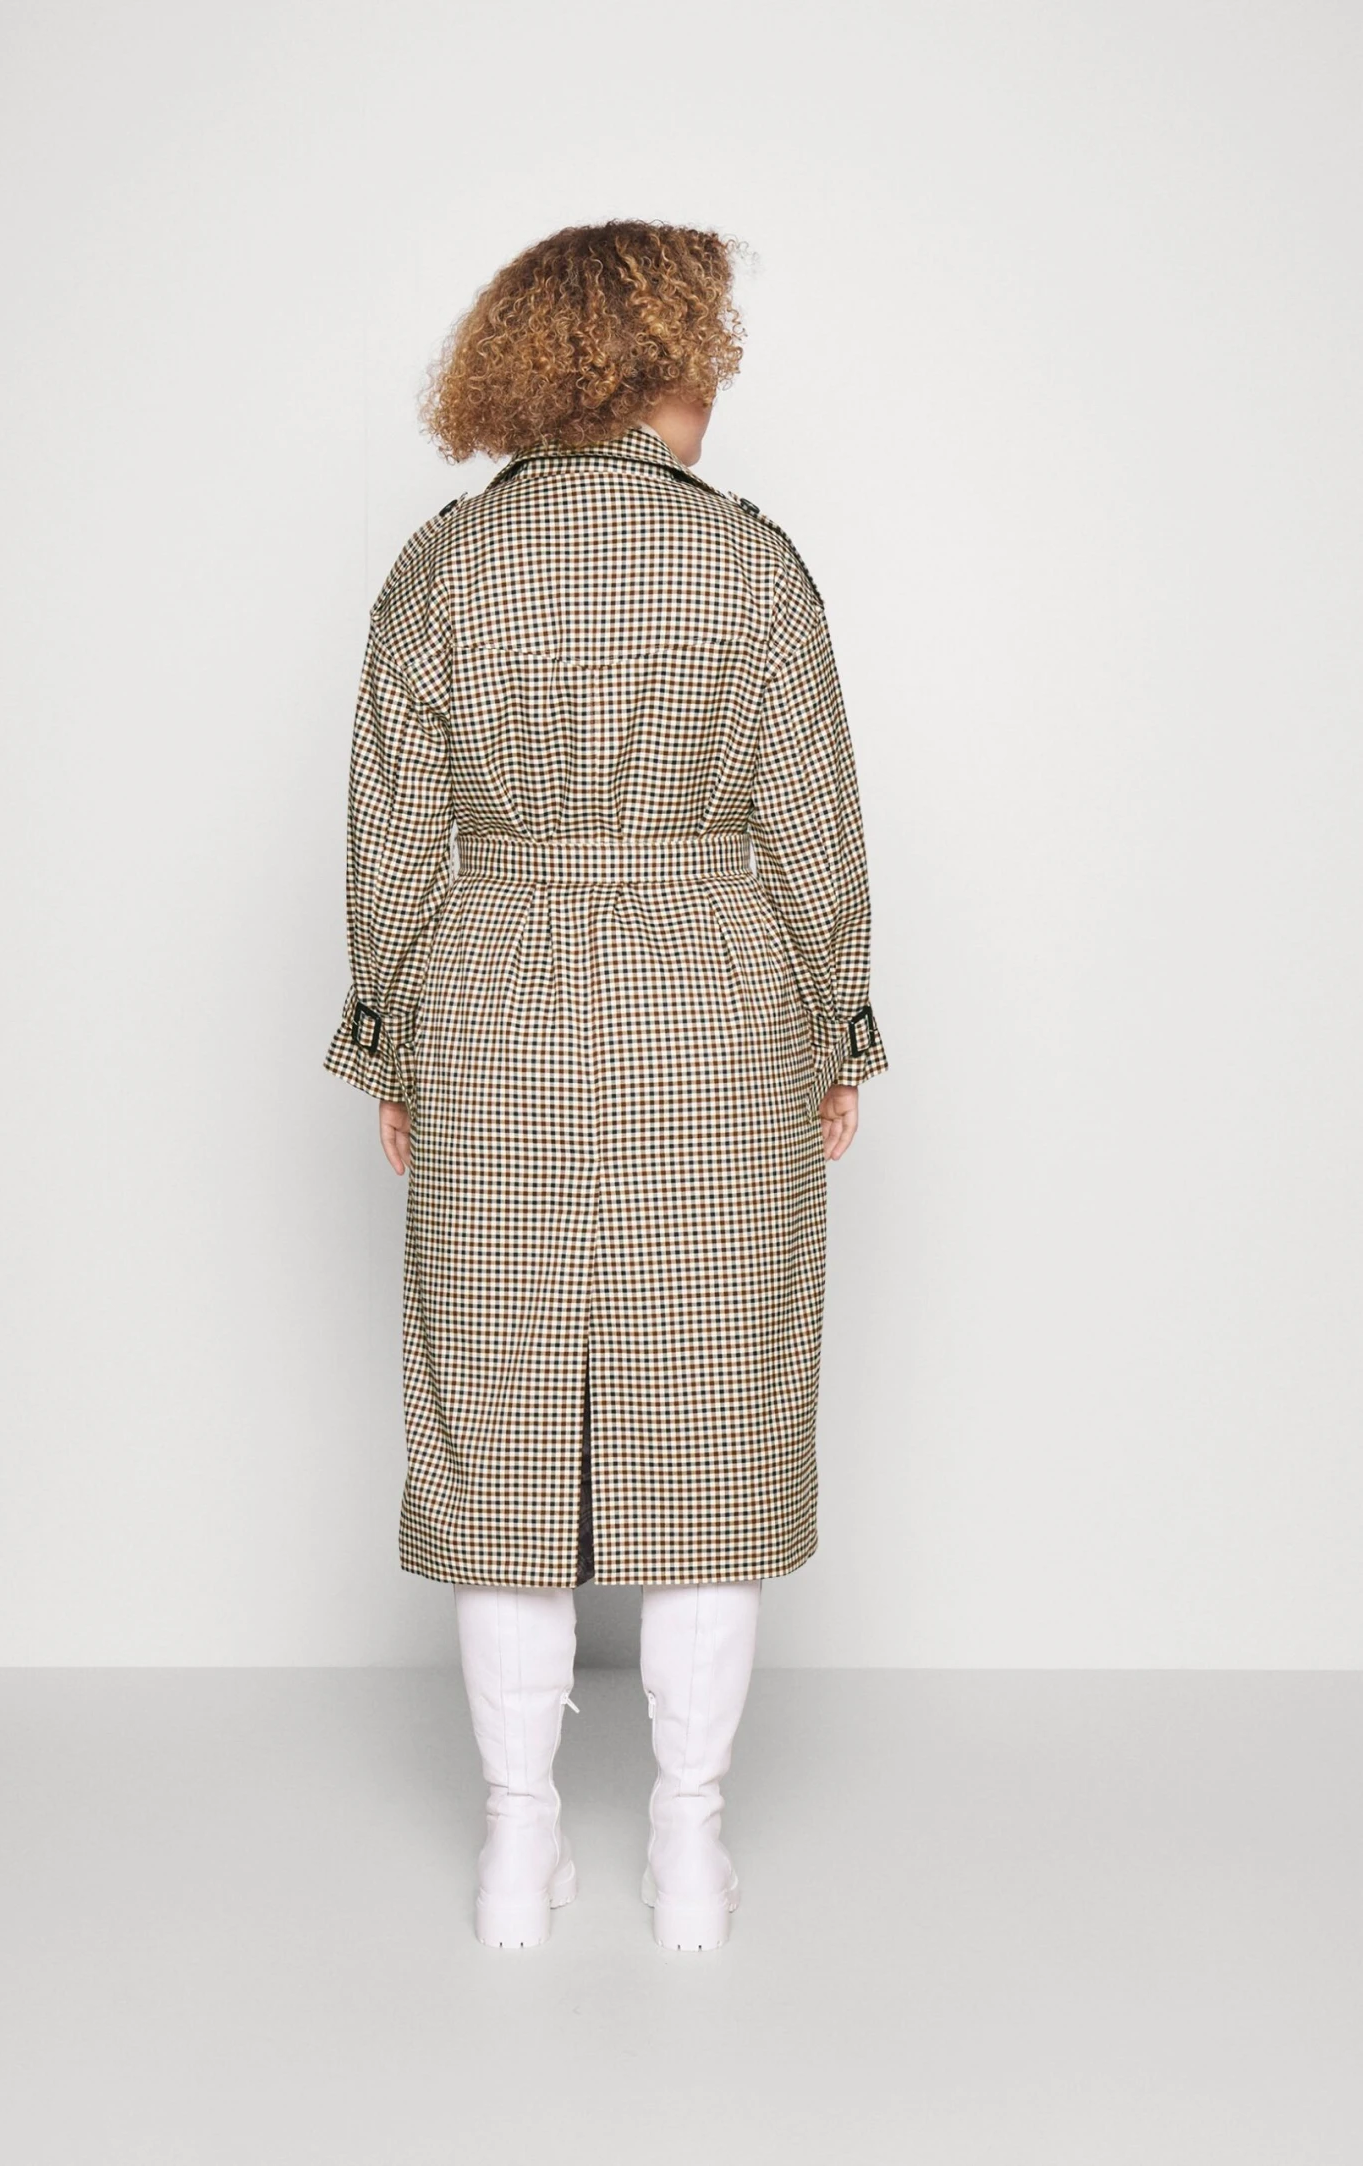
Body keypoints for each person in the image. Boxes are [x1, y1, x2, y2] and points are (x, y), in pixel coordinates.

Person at [324, 221, 888, 1952]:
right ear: (653, 363)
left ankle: (517, 1850)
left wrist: (393, 1044)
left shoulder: (443, 568)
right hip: (717, 1008)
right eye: (703, 352)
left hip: (495, 1002)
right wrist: (836, 1028)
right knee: (714, 1421)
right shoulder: (752, 565)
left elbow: (392, 839)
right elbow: (815, 825)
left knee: (497, 1430)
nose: (717, 384)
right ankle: (689, 1854)